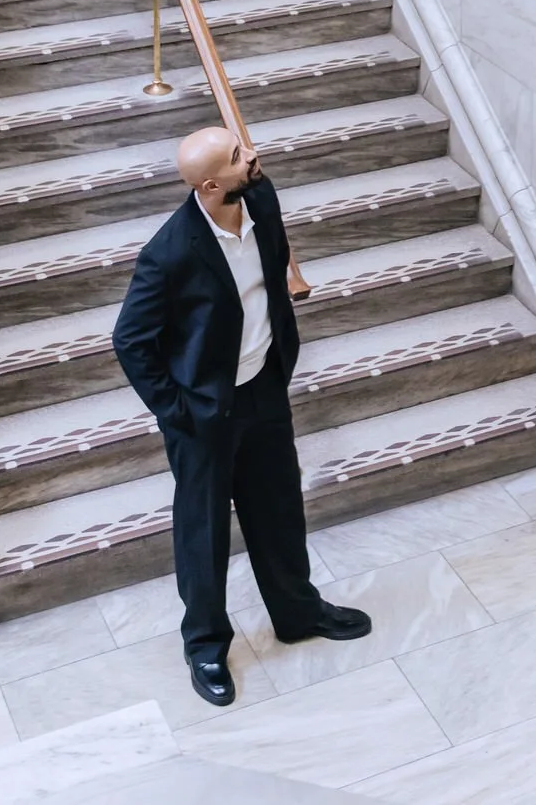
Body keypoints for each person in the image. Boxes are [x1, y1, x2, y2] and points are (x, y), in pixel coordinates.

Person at [112, 125, 371, 706]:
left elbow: (272, 277)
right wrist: (178, 412)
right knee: (203, 531)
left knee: (279, 508)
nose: (250, 154)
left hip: (264, 389)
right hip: (205, 414)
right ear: (209, 185)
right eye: (236, 156)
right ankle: (205, 642)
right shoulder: (170, 253)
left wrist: (280, 359)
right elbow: (130, 341)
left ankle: (298, 612)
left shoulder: (260, 198)